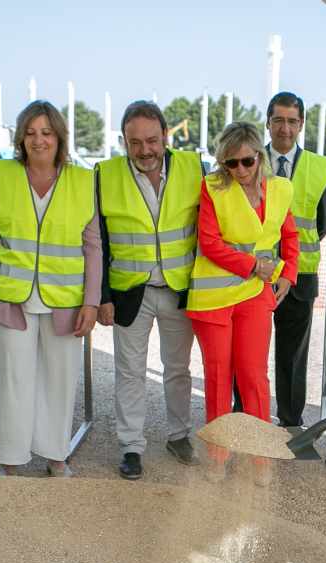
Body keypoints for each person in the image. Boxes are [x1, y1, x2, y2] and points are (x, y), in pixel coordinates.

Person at [0, 101, 101, 477]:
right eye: (30, 132)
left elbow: (93, 246)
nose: (38, 140)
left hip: (66, 300)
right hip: (12, 298)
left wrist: (91, 302)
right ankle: (11, 459)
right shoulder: (2, 174)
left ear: (59, 137)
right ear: (20, 138)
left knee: (59, 379)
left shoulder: (83, 180)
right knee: (13, 378)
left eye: (46, 132)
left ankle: (56, 454)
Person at [96, 101, 203, 481]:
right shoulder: (104, 174)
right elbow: (99, 242)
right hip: (129, 292)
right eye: (135, 142)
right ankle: (131, 447)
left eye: (152, 140)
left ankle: (179, 436)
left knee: (178, 369)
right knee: (130, 372)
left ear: (165, 136)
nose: (145, 150)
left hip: (178, 287)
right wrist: (102, 296)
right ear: (123, 141)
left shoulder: (193, 167)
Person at [188, 122, 299, 478]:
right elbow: (210, 243)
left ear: (259, 157)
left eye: (246, 162)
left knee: (253, 376)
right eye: (230, 164)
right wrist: (256, 266)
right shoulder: (212, 187)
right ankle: (218, 458)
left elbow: (290, 234)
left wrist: (288, 274)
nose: (239, 170)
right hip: (214, 298)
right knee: (219, 376)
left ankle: (261, 459)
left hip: (254, 295)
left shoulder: (281, 190)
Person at [264, 91, 326, 429]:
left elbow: (322, 222)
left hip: (300, 275)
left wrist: (289, 257)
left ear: (301, 124)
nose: (285, 129)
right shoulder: (250, 160)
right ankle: (245, 416)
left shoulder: (320, 167)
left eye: (292, 121)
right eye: (278, 120)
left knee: (293, 355)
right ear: (268, 122)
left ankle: (290, 421)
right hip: (254, 274)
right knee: (248, 354)